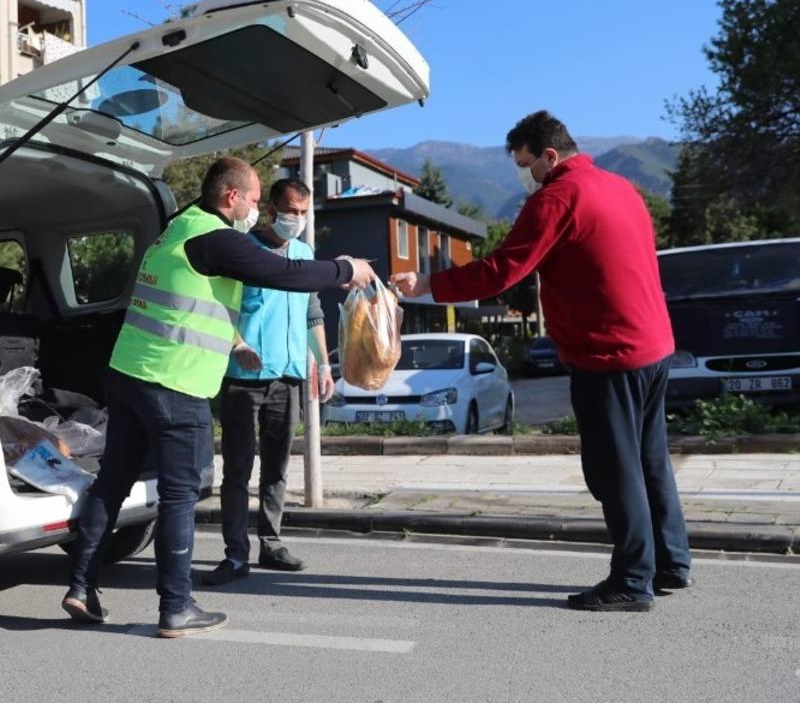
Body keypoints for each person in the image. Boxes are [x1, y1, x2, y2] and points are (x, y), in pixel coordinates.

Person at [391, 110, 691, 612]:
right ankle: (672, 563)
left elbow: (504, 269)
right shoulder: (621, 188)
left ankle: (633, 580)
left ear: (550, 156)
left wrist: (428, 286)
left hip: (607, 352)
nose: (524, 175)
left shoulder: (557, 196)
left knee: (615, 470)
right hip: (653, 346)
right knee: (650, 461)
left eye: (526, 164)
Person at [62, 157, 374, 637]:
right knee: (179, 497)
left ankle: (80, 586)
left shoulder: (176, 230)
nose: (256, 209)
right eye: (253, 199)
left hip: (128, 375)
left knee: (112, 482)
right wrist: (344, 269)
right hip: (176, 385)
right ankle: (175, 607)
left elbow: (187, 298)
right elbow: (285, 272)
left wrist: (236, 342)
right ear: (232, 197)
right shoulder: (217, 238)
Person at [203, 178, 334, 586]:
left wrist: (323, 364)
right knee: (238, 469)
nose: (297, 219)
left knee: (276, 468)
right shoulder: (244, 253)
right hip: (244, 377)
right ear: (273, 209)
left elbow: (314, 312)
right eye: (291, 211)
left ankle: (272, 543)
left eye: (304, 212)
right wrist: (237, 344)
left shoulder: (304, 252)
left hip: (289, 375)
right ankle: (235, 554)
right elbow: (218, 307)